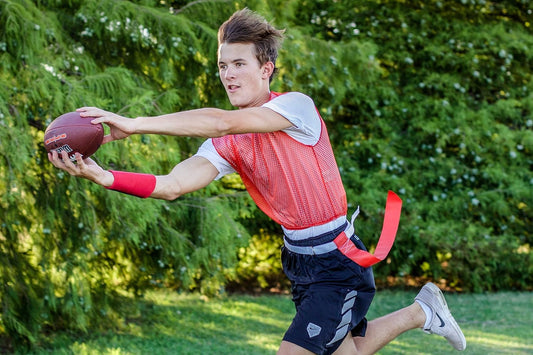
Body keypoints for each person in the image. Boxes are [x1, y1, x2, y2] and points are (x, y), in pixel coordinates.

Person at [48, 8, 466, 355]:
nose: (228, 75)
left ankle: (422, 313)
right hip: (300, 263)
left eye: (239, 64)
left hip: (338, 263)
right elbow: (173, 184)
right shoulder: (226, 145)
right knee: (346, 352)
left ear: (266, 69)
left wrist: (135, 124)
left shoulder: (295, 108)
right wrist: (104, 176)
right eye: (222, 66)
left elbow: (221, 121)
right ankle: (421, 312)